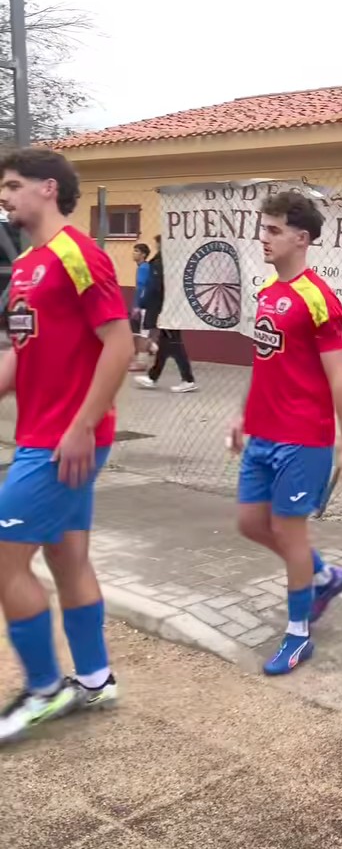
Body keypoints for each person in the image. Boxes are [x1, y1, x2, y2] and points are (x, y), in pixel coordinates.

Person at [0, 148, 134, 744]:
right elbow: (17, 354)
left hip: (63, 442)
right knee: (67, 558)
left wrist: (83, 424)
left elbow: (119, 344)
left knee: (4, 559)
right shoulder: (28, 263)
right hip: (40, 434)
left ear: (47, 189)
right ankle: (96, 679)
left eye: (12, 185)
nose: (4, 196)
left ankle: (45, 689)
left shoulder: (79, 255)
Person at [230, 191, 342, 675]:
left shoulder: (318, 300)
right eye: (263, 228)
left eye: (274, 230)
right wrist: (243, 414)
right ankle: (323, 575)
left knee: (289, 532)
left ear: (301, 238)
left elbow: (338, 377)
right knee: (249, 522)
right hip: (262, 434)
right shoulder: (268, 292)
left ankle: (298, 635)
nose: (264, 238)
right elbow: (265, 363)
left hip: (302, 438)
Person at [134, 236, 197, 393]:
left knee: (174, 343)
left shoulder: (161, 262)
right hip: (172, 305)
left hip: (165, 307)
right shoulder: (175, 261)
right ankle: (153, 377)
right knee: (165, 343)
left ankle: (188, 379)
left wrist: (143, 302)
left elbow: (154, 287)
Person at [129, 242, 151, 371]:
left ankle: (141, 363)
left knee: (142, 333)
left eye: (137, 251)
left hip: (144, 305)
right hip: (145, 303)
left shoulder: (143, 268)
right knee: (138, 332)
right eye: (134, 250)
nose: (134, 253)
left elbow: (141, 288)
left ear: (143, 255)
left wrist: (137, 305)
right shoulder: (144, 267)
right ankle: (152, 348)